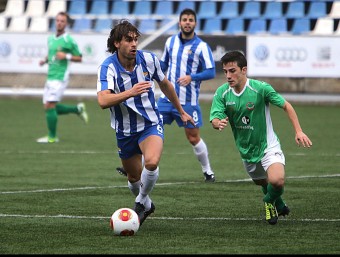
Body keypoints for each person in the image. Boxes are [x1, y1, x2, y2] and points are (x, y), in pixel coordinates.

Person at [96, 20, 194, 225]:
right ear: (116, 43)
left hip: (150, 122)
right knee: (133, 179)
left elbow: (165, 84)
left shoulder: (149, 60)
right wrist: (130, 92)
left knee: (151, 161)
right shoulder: (107, 68)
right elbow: (103, 101)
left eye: (136, 39)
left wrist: (181, 111)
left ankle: (140, 203)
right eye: (128, 40)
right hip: (124, 129)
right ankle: (147, 204)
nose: (134, 44)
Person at [209, 50, 312, 225]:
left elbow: (286, 105)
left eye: (232, 70)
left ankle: (268, 201)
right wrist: (217, 123)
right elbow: (215, 117)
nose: (228, 75)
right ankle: (278, 203)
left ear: (244, 70)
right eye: (225, 71)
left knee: (277, 180)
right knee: (262, 182)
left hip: (268, 146)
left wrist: (298, 131)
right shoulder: (222, 93)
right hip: (246, 149)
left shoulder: (260, 88)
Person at [116, 8, 217, 182]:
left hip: (188, 100)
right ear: (179, 22)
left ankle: (208, 171)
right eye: (184, 19)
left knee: (193, 137)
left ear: (195, 23)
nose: (187, 22)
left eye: (190, 20)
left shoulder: (202, 47)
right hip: (165, 100)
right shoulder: (171, 42)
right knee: (145, 128)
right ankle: (135, 168)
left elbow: (211, 71)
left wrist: (192, 77)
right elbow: (162, 65)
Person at [36, 11, 88, 144]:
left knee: (49, 104)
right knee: (48, 107)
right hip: (51, 75)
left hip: (60, 76)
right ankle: (77, 109)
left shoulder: (68, 40)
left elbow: (80, 57)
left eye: (62, 21)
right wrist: (44, 60)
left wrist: (67, 56)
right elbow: (52, 54)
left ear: (66, 23)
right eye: (58, 20)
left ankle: (52, 137)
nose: (59, 23)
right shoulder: (51, 38)